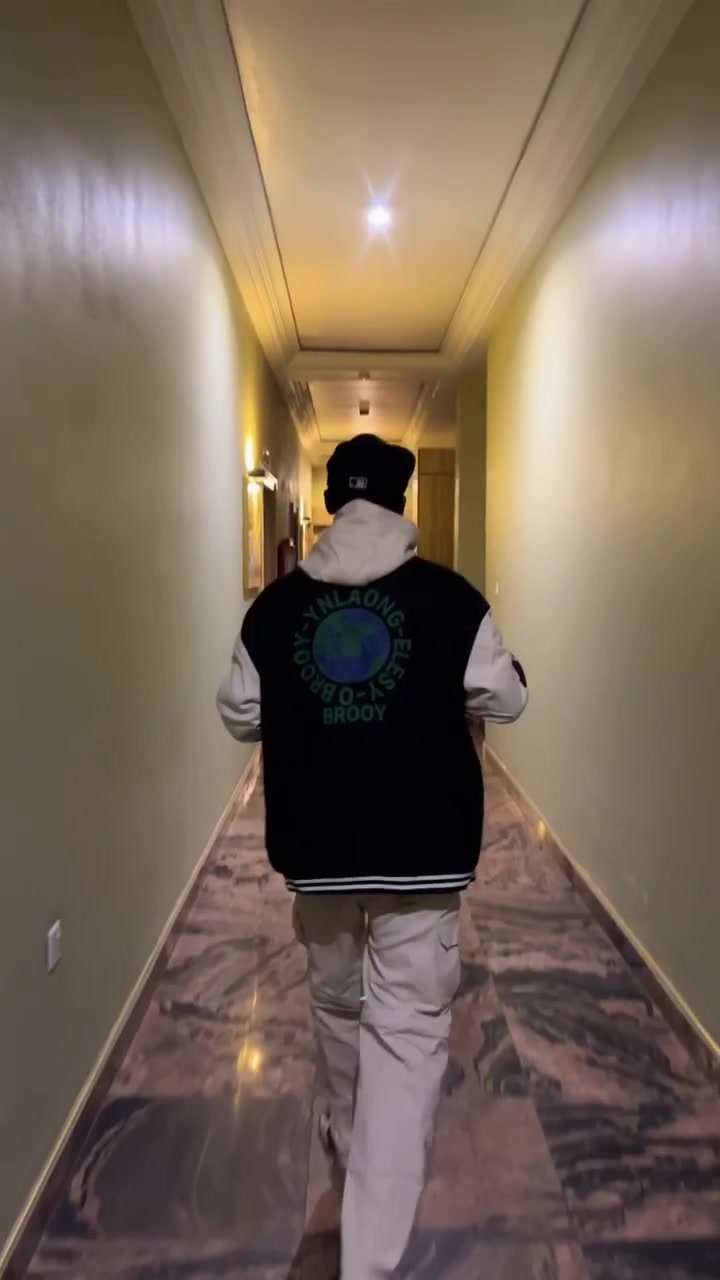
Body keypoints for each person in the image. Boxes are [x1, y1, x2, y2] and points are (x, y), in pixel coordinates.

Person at [217, 434, 528, 1280]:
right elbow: (505, 697)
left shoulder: (274, 610)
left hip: (316, 853)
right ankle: (370, 1260)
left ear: (329, 503)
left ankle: (353, 1149)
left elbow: (239, 713)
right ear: (401, 502)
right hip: (421, 857)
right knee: (407, 1034)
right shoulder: (451, 601)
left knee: (337, 1005)